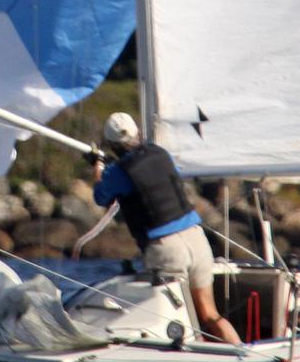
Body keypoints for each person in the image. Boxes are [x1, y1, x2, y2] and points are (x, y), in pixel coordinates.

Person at [91, 112, 242, 346]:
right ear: (137, 133)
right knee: (209, 314)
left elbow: (101, 196)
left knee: (182, 321)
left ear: (111, 145)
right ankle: (241, 354)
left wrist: (98, 165)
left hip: (166, 248)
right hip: (195, 237)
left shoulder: (118, 172)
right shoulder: (161, 154)